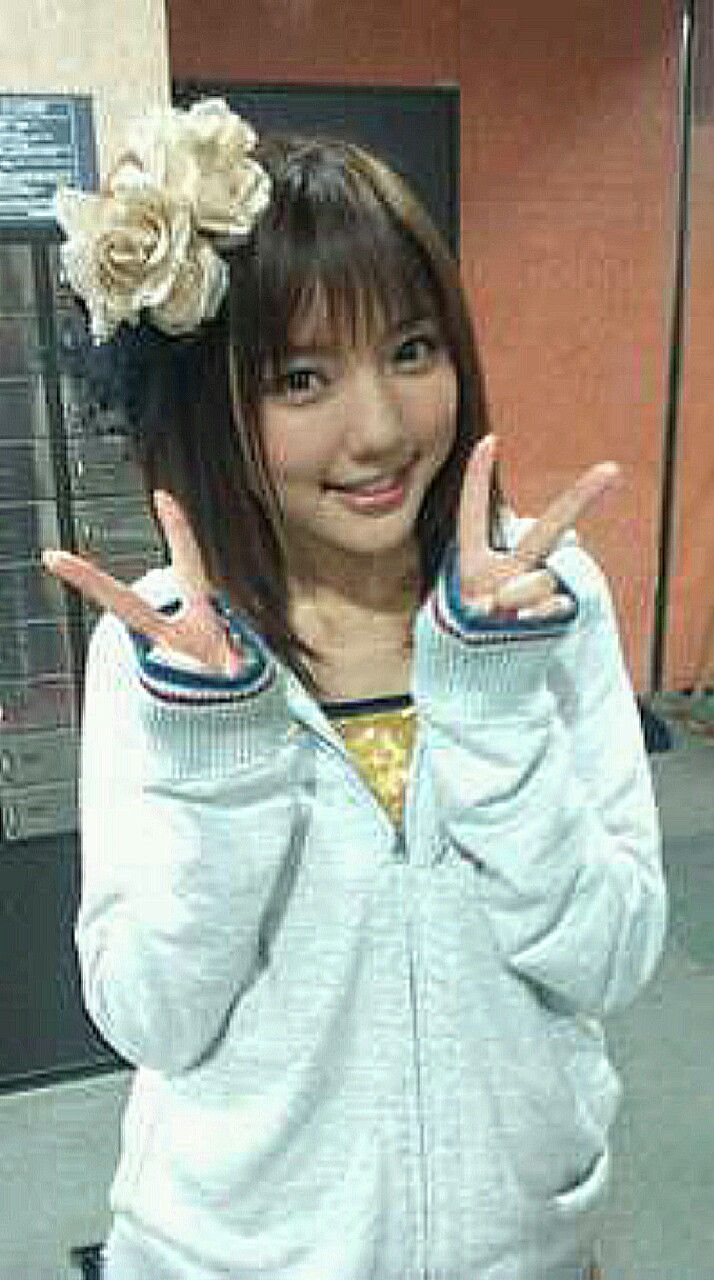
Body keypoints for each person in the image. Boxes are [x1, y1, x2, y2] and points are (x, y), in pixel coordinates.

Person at [45, 97, 667, 1280]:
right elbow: (147, 1016)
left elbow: (613, 955)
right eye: (301, 377)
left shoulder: (546, 597)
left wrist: (492, 713)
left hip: (522, 1250)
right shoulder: (164, 650)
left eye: (412, 350)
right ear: (216, 400)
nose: (378, 428)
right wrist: (221, 766)